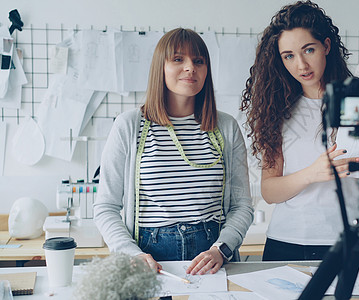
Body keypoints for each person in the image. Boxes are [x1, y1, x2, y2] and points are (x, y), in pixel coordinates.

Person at [241, 0, 359, 261]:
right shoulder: (276, 108)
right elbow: (270, 190)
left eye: (308, 50)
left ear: (326, 46)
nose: (301, 64)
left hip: (351, 242)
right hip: (287, 243)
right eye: (289, 56)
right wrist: (312, 173)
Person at [94, 28, 253, 275]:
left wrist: (221, 249)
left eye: (198, 61)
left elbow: (242, 205)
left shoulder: (226, 127)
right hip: (148, 261)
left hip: (212, 260)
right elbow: (105, 207)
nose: (190, 67)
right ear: (161, 67)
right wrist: (130, 253)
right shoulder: (129, 126)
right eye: (178, 59)